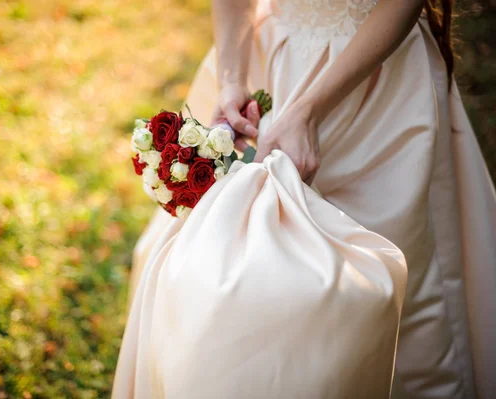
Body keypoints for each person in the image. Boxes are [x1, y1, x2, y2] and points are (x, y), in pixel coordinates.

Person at [116, 0, 496, 397]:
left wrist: (309, 111)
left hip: (375, 77)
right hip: (267, 59)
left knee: (392, 279)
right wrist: (231, 77)